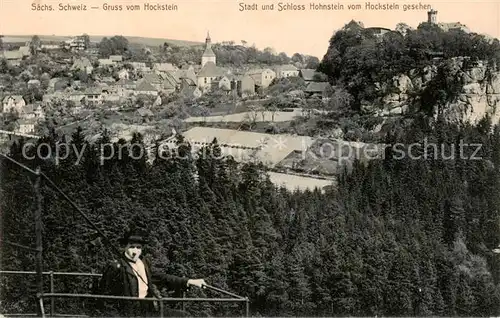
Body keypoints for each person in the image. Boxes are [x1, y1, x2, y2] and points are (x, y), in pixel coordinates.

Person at [98, 230, 207, 317]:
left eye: (138, 247)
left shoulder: (144, 263)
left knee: (184, 316)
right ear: (125, 247)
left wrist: (188, 281)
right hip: (129, 313)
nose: (135, 251)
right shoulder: (116, 267)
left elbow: (161, 277)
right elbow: (107, 300)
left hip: (147, 310)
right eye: (131, 247)